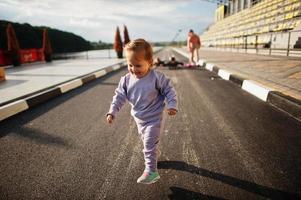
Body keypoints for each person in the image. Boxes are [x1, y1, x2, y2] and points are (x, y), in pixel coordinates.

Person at [106, 39, 178, 184]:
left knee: (148, 144)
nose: (133, 69)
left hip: (155, 117)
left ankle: (151, 171)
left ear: (150, 62)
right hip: (140, 119)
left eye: (138, 65)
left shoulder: (156, 78)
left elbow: (169, 90)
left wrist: (172, 104)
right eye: (130, 65)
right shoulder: (126, 80)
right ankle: (154, 156)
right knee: (148, 142)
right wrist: (112, 111)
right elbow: (119, 96)